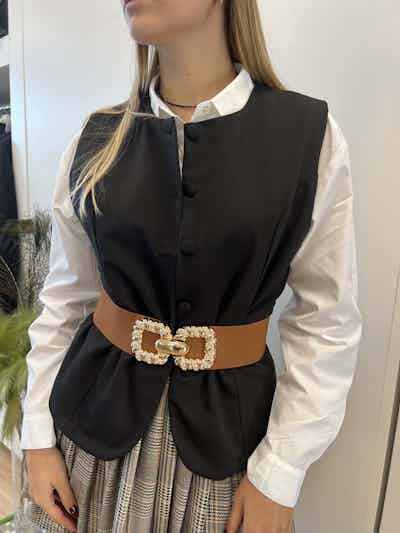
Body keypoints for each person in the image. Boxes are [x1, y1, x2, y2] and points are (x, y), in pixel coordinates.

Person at [20, 1, 363, 532]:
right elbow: (65, 301)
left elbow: (327, 321)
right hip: (85, 442)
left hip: (225, 459)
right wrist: (38, 439)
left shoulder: (307, 137)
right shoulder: (97, 138)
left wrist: (280, 474)